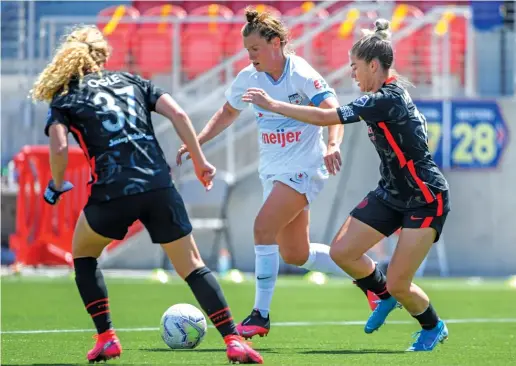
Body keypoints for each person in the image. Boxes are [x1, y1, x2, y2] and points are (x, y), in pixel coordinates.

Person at [30, 25, 263, 364]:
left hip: (113, 191)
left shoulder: (66, 97)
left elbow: (60, 147)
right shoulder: (132, 81)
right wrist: (200, 162)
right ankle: (233, 340)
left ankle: (107, 337)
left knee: (83, 255)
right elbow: (180, 114)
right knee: (194, 266)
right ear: (103, 57)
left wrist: (56, 184)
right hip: (157, 184)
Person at [241, 19, 450, 352]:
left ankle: (432, 325)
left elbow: (328, 116)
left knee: (400, 283)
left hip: (424, 197)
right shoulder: (383, 92)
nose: (352, 75)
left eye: (355, 67)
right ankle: (381, 294)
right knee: (342, 252)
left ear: (373, 65)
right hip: (391, 192)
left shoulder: (385, 99)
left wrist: (273, 105)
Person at [177, 7, 375, 339]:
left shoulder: (299, 72)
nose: (250, 56)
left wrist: (332, 145)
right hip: (274, 172)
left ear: (276, 43)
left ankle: (260, 315)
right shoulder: (248, 78)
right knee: (296, 253)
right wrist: (197, 142)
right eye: (247, 50)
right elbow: (227, 112)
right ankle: (374, 281)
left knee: (262, 227)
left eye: (255, 49)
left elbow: (332, 110)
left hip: (304, 169)